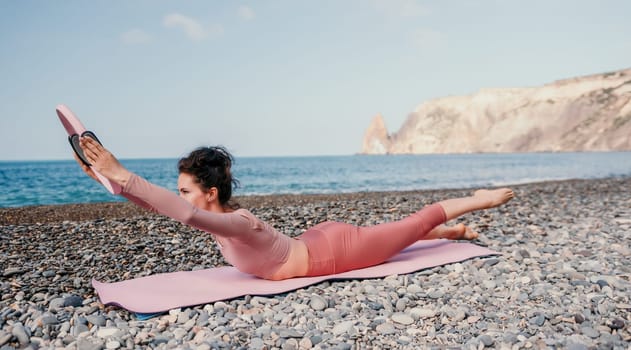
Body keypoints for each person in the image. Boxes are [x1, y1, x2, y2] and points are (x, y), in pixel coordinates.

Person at [75, 137, 514, 281]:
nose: (182, 197)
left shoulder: (236, 222)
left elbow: (183, 213)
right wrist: (112, 180)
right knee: (400, 236)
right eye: (180, 191)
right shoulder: (218, 217)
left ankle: (480, 198)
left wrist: (125, 173)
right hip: (314, 241)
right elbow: (165, 207)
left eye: (186, 190)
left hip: (336, 251)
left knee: (414, 223)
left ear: (210, 193)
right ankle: (449, 236)